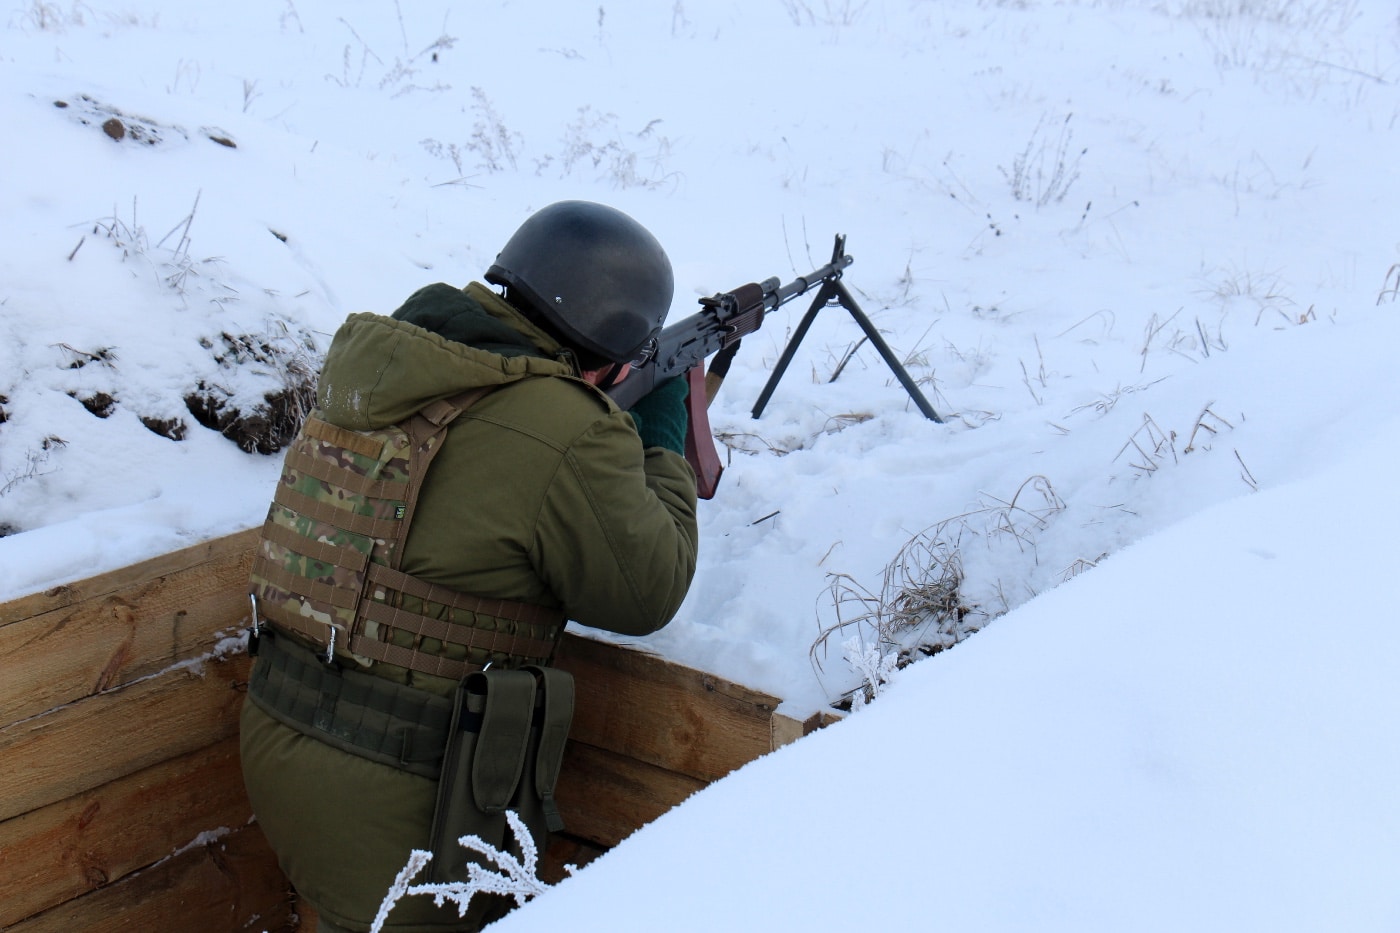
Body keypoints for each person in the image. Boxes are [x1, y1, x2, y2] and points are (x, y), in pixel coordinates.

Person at [239, 200, 698, 932]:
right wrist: (663, 428)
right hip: (406, 797)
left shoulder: (391, 361)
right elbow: (650, 588)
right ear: (612, 341)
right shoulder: (569, 428)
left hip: (279, 732)